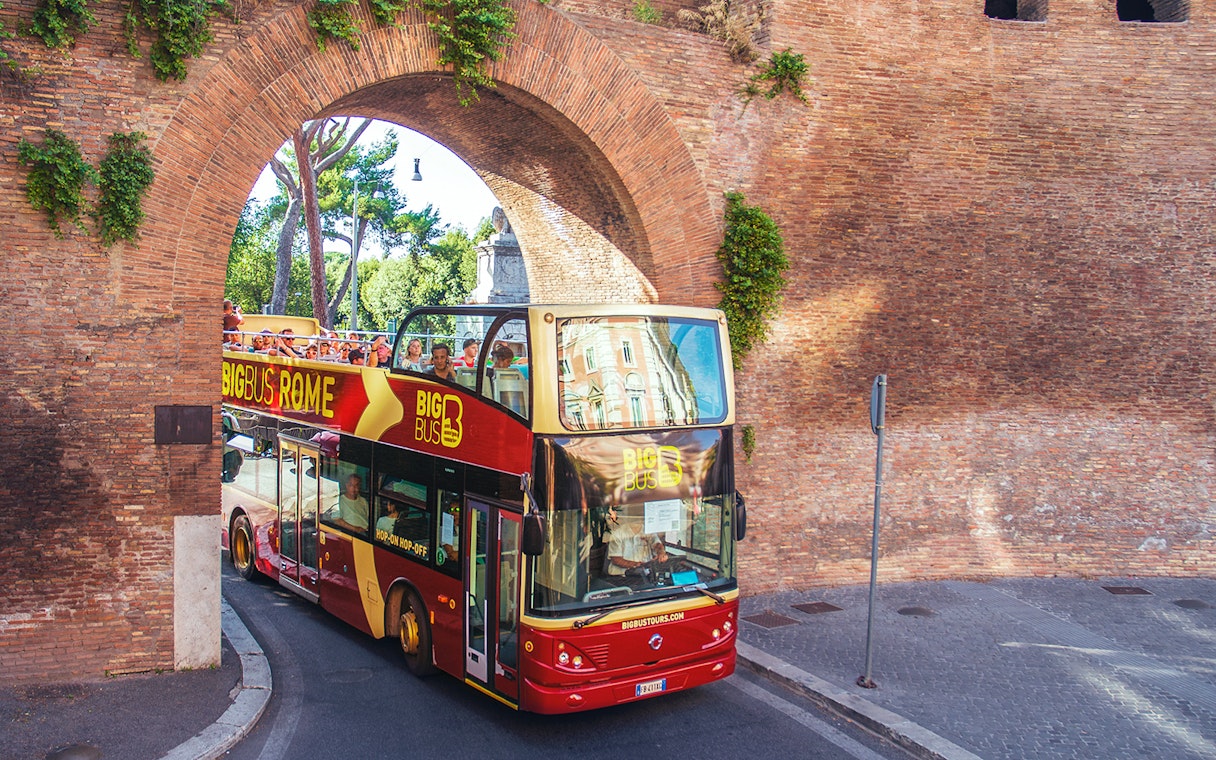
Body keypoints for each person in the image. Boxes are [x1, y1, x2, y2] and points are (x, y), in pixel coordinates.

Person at [605, 505, 667, 577]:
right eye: (637, 515)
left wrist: (661, 552)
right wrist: (637, 565)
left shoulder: (648, 532)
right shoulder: (617, 534)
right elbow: (616, 559)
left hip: (645, 576)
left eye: (641, 515)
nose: (640, 518)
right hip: (621, 577)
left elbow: (657, 544)